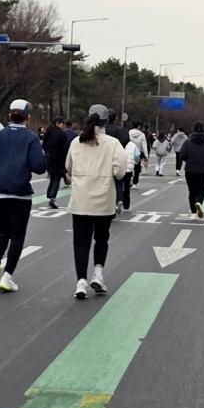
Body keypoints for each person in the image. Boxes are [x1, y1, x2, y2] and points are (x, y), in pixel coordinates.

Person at [0, 100, 47, 293]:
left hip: (0, 192)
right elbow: (39, 167)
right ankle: (7, 276)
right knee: (17, 235)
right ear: (28, 117)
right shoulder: (31, 137)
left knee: (2, 231)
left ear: (9, 115)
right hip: (21, 193)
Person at [66, 104, 127, 299]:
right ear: (106, 121)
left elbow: (68, 166)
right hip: (103, 200)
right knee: (101, 238)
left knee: (81, 243)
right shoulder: (113, 143)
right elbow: (119, 172)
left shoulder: (77, 141)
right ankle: (98, 274)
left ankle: (81, 282)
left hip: (80, 200)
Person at [179, 122, 204, 218]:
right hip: (203, 169)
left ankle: (193, 210)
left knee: (192, 191)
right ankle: (199, 202)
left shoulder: (188, 142)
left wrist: (189, 160)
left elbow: (182, 155)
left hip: (190, 169)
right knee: (202, 190)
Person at [42, 115, 70, 208]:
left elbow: (44, 145)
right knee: (56, 179)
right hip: (59, 160)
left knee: (52, 177)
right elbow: (66, 147)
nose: (63, 125)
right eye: (62, 123)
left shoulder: (48, 132)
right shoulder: (61, 134)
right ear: (58, 123)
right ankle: (52, 197)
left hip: (49, 159)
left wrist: (48, 153)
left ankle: (49, 194)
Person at [127, 120, 148, 187]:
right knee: (137, 168)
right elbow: (144, 145)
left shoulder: (129, 132)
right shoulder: (142, 134)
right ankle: (135, 183)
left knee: (129, 167)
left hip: (129, 151)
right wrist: (146, 156)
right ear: (139, 126)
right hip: (138, 152)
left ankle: (129, 180)